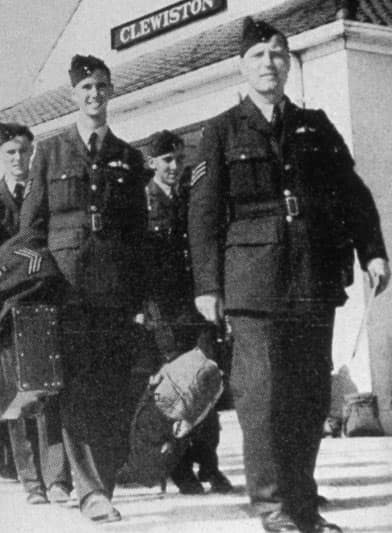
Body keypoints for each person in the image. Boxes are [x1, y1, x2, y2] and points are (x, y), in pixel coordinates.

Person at [188, 17, 389, 533]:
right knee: (264, 399)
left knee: (309, 398)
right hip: (253, 284)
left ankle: (302, 504)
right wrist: (208, 285)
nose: (269, 64)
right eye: (258, 56)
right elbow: (204, 215)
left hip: (314, 277)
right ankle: (273, 507)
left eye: (277, 54)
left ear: (288, 62)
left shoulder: (315, 125)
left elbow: (353, 194)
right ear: (241, 66)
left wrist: (372, 251)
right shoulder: (220, 131)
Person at [19, 54, 151, 523]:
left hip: (115, 293)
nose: (94, 95)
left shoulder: (129, 158)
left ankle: (103, 484)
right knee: (77, 391)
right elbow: (31, 229)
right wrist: (40, 286)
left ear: (110, 92)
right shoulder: (50, 153)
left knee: (114, 390)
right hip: (67, 291)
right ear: (74, 95)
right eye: (86, 89)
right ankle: (91, 490)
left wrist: (142, 299)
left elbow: (139, 236)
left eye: (101, 87)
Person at [0, 122, 72, 504]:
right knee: (16, 395)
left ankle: (57, 478)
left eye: (24, 151)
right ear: (0, 155)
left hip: (43, 303)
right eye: (10, 152)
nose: (19, 159)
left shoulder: (45, 189)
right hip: (7, 311)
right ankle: (31, 482)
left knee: (49, 393)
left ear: (32, 151)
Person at [141, 130, 231, 495]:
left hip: (197, 303)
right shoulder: (141, 203)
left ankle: (209, 465)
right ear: (152, 162)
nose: (175, 166)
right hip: (163, 307)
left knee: (207, 379)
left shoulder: (193, 196)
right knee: (177, 389)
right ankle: (181, 470)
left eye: (179, 159)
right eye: (167, 160)